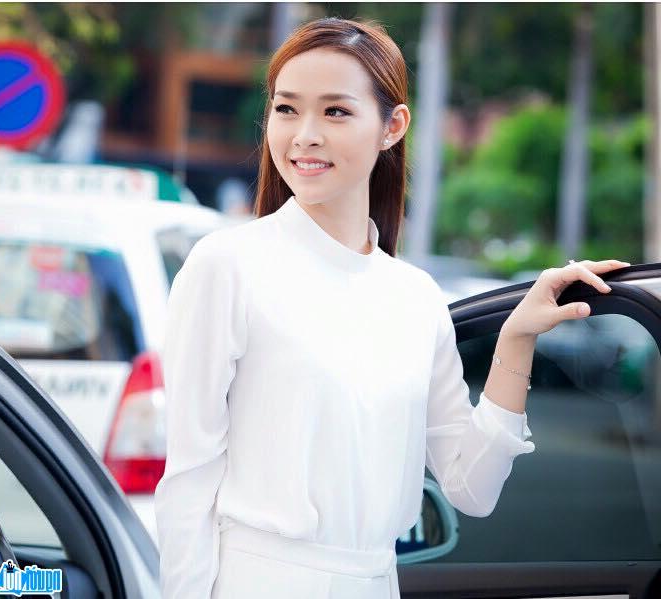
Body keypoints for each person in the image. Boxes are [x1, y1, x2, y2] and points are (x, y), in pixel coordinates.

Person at [154, 17, 631, 599]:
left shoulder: (414, 297)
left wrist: (516, 340)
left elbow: (473, 490)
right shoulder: (227, 266)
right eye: (286, 109)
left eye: (335, 111)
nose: (303, 134)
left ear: (392, 127)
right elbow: (188, 480)